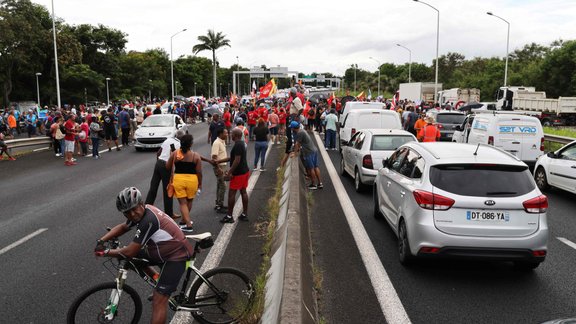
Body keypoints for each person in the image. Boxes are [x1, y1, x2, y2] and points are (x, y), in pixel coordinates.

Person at [95, 187, 194, 324]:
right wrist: (102, 240)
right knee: (131, 259)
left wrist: (105, 252)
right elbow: (123, 227)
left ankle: (163, 289)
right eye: (128, 212)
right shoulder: (142, 212)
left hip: (176, 255)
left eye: (134, 208)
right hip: (161, 250)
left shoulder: (148, 220)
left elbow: (130, 251)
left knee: (159, 301)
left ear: (141, 203)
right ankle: (160, 281)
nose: (133, 214)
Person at [166, 134, 202, 234]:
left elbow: (168, 167)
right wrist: (200, 184)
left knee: (182, 203)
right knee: (189, 201)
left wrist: (171, 155)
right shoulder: (196, 156)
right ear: (190, 144)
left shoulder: (175, 153)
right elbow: (199, 172)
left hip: (179, 180)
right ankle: (184, 221)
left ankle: (188, 224)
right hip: (192, 180)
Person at [146, 130, 185, 220]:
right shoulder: (180, 145)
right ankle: (169, 213)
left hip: (159, 163)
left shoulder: (168, 140)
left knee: (153, 188)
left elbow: (158, 153)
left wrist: (159, 164)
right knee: (168, 190)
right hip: (167, 165)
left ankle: (146, 210)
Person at [214, 128, 250, 224]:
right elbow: (232, 158)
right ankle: (245, 214)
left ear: (236, 135)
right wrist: (220, 161)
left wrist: (229, 172)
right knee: (243, 192)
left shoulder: (238, 145)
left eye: (232, 134)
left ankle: (229, 216)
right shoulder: (241, 143)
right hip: (245, 171)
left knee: (231, 194)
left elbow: (236, 160)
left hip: (238, 173)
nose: (230, 135)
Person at [290, 121, 323, 190]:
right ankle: (320, 183)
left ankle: (313, 184)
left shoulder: (299, 133)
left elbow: (297, 144)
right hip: (314, 149)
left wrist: (295, 153)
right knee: (316, 167)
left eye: (291, 128)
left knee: (311, 168)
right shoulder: (303, 130)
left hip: (308, 152)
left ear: (293, 128)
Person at [211, 128, 228, 214]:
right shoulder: (217, 143)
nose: (227, 134)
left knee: (220, 185)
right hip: (219, 167)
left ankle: (218, 203)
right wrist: (218, 168)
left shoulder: (222, 141)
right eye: (225, 133)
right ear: (220, 134)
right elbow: (214, 157)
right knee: (223, 186)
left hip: (223, 166)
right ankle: (219, 205)